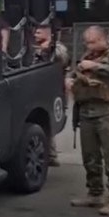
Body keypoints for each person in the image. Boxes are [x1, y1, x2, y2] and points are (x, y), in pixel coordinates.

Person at [67, 26, 109, 215]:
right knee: (90, 157)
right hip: (87, 112)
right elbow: (74, 73)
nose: (90, 45)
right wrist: (70, 79)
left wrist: (94, 66)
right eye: (87, 42)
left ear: (105, 38)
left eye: (94, 41)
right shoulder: (88, 55)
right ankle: (95, 192)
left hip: (107, 112)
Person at [35, 24, 70, 166]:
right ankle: (49, 154)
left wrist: (48, 48)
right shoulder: (33, 47)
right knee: (42, 121)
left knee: (50, 121)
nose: (35, 34)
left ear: (47, 33)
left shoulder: (58, 47)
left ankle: (51, 155)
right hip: (40, 89)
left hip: (55, 90)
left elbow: (63, 60)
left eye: (38, 32)